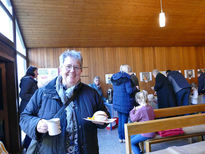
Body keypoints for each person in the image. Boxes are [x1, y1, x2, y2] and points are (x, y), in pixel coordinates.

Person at [20, 49, 110, 154]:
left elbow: (105, 116)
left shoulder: (91, 93)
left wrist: (102, 118)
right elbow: (24, 118)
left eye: (76, 67)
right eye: (68, 66)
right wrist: (36, 124)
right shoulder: (43, 93)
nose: (72, 70)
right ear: (60, 68)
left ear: (81, 70)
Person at [111, 64, 137, 143]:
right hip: (125, 103)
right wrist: (135, 88)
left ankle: (120, 137)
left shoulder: (115, 78)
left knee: (120, 120)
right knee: (124, 121)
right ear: (127, 70)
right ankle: (125, 138)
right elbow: (129, 91)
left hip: (117, 103)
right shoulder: (126, 78)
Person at [19, 65, 38, 150]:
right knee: (31, 129)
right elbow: (22, 95)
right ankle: (27, 147)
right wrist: (36, 96)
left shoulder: (28, 79)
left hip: (28, 107)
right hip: (27, 108)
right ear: (32, 71)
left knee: (31, 129)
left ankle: (27, 146)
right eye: (36, 71)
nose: (37, 73)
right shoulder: (28, 80)